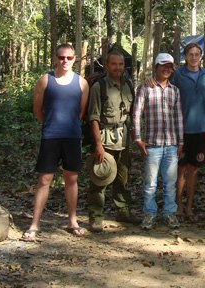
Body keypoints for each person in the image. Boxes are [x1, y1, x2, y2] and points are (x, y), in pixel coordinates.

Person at [23, 43, 89, 241]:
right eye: (61, 57)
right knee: (44, 180)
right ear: (55, 58)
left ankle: (72, 221)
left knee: (71, 179)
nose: (65, 61)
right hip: (50, 136)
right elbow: (37, 108)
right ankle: (34, 224)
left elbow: (81, 111)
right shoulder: (45, 80)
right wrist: (49, 125)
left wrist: (68, 126)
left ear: (75, 59)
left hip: (72, 136)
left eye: (69, 58)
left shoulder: (82, 83)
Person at [86, 50, 139, 232]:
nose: (118, 68)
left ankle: (122, 211)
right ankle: (96, 216)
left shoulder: (128, 85)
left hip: (123, 139)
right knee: (100, 178)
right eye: (114, 64)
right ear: (107, 66)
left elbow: (130, 115)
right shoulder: (98, 87)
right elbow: (93, 117)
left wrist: (131, 141)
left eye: (121, 64)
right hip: (105, 138)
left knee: (122, 177)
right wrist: (98, 145)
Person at [133, 52, 184, 230]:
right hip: (152, 144)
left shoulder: (174, 90)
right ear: (156, 67)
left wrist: (181, 142)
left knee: (170, 183)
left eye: (169, 66)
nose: (166, 69)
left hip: (171, 144)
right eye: (163, 65)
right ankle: (149, 213)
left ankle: (170, 213)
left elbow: (178, 117)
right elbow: (137, 113)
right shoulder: (145, 88)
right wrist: (138, 138)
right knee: (150, 183)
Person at [170, 43, 205, 222]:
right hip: (180, 129)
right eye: (190, 54)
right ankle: (178, 206)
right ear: (185, 56)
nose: (194, 57)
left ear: (201, 56)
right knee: (180, 169)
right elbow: (166, 91)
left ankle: (189, 207)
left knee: (193, 169)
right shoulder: (178, 75)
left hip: (200, 129)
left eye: (197, 54)